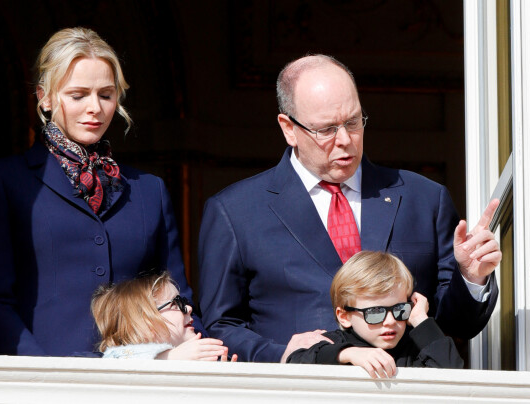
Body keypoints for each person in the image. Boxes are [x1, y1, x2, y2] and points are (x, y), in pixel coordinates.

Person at [198, 54, 501, 363]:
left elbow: (457, 325)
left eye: (353, 122)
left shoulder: (423, 199)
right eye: (327, 129)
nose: (345, 140)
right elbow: (222, 326)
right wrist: (288, 355)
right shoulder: (235, 211)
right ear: (289, 128)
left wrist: (471, 278)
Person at [0, 27, 200, 356]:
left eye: (106, 95)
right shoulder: (4, 181)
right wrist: (39, 375)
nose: (95, 107)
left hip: (139, 379)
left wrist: (204, 351)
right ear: (45, 97)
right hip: (40, 382)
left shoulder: (150, 191)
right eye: (78, 95)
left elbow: (177, 298)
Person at [287, 251, 464, 376]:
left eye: (399, 310)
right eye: (375, 312)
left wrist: (421, 320)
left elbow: (451, 373)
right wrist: (347, 354)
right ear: (344, 316)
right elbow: (294, 361)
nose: (390, 321)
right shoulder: (335, 342)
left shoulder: (414, 349)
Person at [92, 272, 236, 361]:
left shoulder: (191, 357)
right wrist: (170, 357)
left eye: (184, 302)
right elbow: (115, 360)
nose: (189, 308)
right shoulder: (119, 357)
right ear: (144, 323)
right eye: (176, 303)